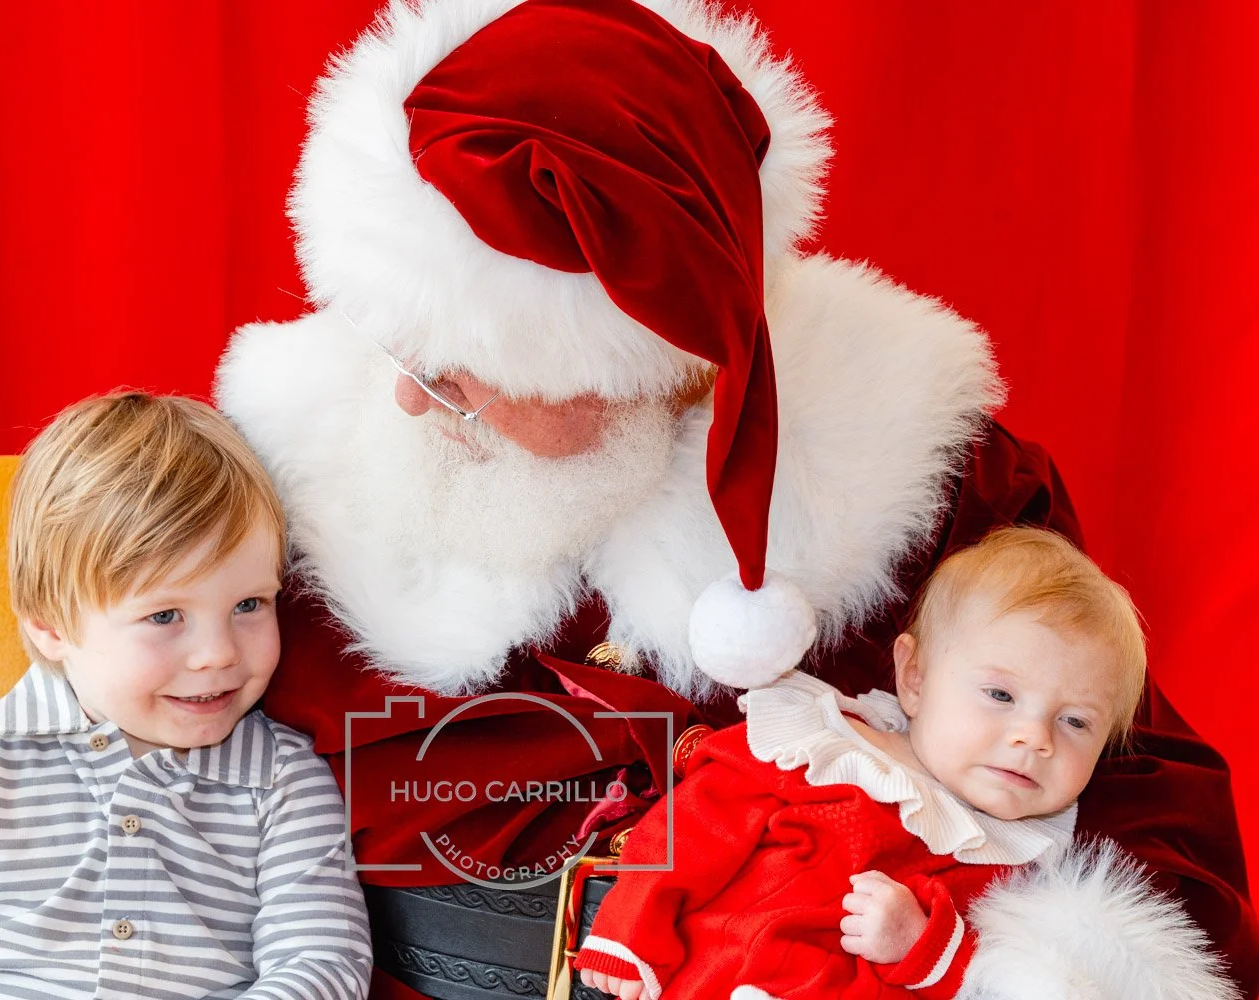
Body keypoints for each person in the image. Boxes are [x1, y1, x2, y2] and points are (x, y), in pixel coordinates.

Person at [212, 0, 1257, 997]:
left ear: (643, 360)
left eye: (463, 367)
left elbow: (1132, 791)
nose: (410, 395)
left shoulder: (935, 480)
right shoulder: (298, 453)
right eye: (407, 346)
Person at [0, 392, 372, 1000]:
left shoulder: (284, 782)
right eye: (166, 614)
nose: (219, 653)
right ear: (51, 626)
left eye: (249, 605)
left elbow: (321, 963)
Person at [574, 526, 1232, 999]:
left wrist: (922, 945)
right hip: (729, 975)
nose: (1034, 738)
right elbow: (696, 824)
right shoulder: (829, 749)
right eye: (1000, 695)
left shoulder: (1021, 861)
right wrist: (632, 928)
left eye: (1076, 722)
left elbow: (981, 977)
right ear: (913, 678)